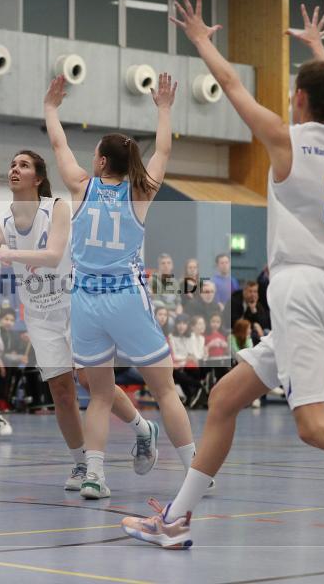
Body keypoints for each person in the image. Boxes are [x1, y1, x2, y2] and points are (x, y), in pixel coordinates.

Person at [122, 0, 324, 563]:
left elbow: (230, 83)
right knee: (226, 398)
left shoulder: (285, 137)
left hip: (299, 291)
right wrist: (317, 48)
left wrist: (200, 39)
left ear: (298, 99)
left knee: (313, 424)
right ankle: (174, 520)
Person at [43, 71, 204, 500]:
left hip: (86, 301)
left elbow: (58, 144)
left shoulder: (81, 187)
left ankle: (95, 476)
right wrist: (164, 109)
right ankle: (196, 473)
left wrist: (51, 108)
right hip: (127, 298)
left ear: (100, 162)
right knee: (164, 389)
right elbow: (164, 149)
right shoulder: (141, 190)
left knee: (99, 395)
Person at [0, 149, 160, 489]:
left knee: (91, 382)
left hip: (75, 304)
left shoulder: (57, 208)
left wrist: (10, 253)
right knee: (61, 392)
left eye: (23, 165)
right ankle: (80, 464)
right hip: (39, 316)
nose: (14, 169)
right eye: (12, 164)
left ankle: (142, 428)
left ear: (38, 178)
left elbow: (53, 256)